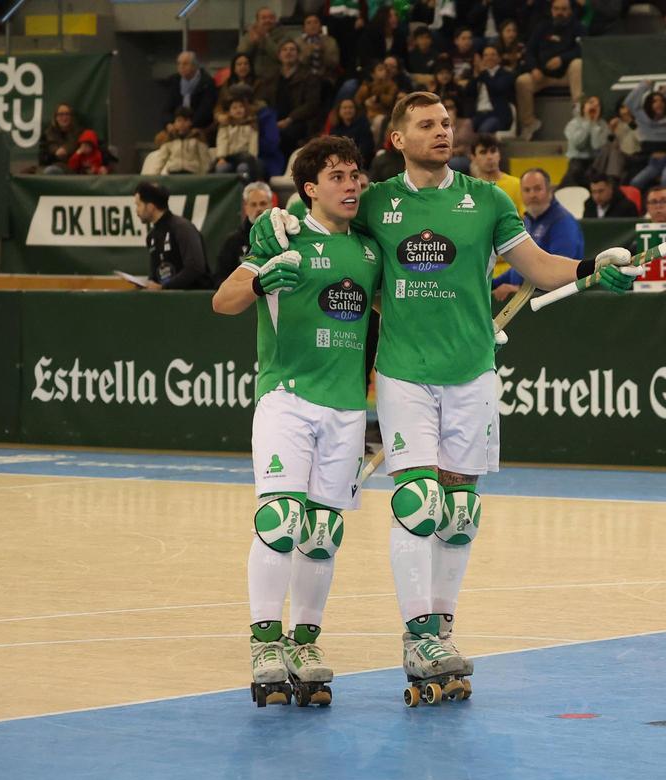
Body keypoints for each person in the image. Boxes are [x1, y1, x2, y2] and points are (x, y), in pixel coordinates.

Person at [244, 92, 640, 703]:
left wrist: (591, 267)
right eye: (427, 125)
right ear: (398, 139)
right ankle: (415, 636)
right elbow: (320, 224)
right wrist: (274, 221)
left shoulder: (487, 201)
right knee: (419, 503)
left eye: (447, 124)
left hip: (473, 373)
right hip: (404, 374)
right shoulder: (374, 202)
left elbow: (536, 265)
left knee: (460, 514)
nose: (442, 132)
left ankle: (442, 632)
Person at [212, 136, 381, 707]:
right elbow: (224, 302)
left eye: (356, 174)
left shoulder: (369, 251)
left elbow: (408, 306)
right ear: (310, 189)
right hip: (286, 398)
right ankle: (264, 642)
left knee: (322, 531)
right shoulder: (281, 236)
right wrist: (260, 279)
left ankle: (304, 642)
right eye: (338, 176)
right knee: (281, 518)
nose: (352, 184)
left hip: (345, 408)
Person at [503, 166, 585, 292]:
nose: (532, 195)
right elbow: (519, 267)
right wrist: (491, 284)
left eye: (537, 189)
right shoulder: (528, 220)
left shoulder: (563, 222)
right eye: (527, 190)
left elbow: (559, 274)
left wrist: (519, 290)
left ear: (549, 190)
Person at [516, 0, 585, 141]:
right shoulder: (542, 27)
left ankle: (578, 109)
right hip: (544, 75)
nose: (560, 12)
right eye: (556, 9)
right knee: (522, 81)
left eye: (564, 9)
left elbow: (583, 49)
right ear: (552, 10)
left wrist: (562, 58)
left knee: (578, 63)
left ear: (570, 11)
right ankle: (529, 123)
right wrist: (534, 68)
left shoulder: (578, 27)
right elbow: (529, 51)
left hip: (567, 76)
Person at [469, 133, 523, 298]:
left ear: (499, 154)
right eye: (483, 152)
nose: (490, 157)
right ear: (473, 157)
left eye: (493, 151)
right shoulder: (469, 190)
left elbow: (524, 225)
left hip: (512, 267)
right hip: (478, 271)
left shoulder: (517, 184)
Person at [135, 182, 212, 291]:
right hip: (168, 300)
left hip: (194, 298)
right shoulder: (151, 237)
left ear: (151, 207)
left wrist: (164, 287)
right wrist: (148, 285)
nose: (136, 210)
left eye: (138, 205)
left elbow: (195, 267)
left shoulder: (182, 228)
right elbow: (156, 275)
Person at [256, 39, 324, 159]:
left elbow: (311, 104)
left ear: (298, 54)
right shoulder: (271, 77)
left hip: (299, 122)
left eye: (292, 49)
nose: (288, 52)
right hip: (273, 121)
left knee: (284, 136)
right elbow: (262, 100)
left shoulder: (309, 77)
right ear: (279, 55)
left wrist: (289, 119)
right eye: (285, 50)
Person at [625, 80, 666, 190]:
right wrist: (644, 86)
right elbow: (629, 103)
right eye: (654, 101)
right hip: (652, 162)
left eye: (662, 100)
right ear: (649, 105)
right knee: (635, 183)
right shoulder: (643, 119)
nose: (659, 103)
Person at [215, 181, 275, 288]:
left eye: (263, 203)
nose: (258, 209)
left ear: (271, 204)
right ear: (246, 208)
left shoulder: (285, 236)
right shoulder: (233, 242)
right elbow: (221, 279)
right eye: (253, 204)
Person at [559, 95, 609, 188]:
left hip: (595, 161)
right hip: (577, 159)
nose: (594, 106)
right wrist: (587, 122)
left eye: (597, 105)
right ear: (583, 106)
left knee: (594, 174)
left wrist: (594, 124)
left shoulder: (603, 125)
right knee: (575, 172)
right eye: (591, 103)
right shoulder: (573, 124)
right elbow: (578, 145)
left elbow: (596, 146)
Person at [161, 51, 218, 132]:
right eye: (179, 64)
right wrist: (169, 123)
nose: (181, 67)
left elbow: (205, 110)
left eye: (185, 64)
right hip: (176, 126)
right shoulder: (174, 81)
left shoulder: (207, 82)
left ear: (195, 66)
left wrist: (189, 124)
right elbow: (167, 108)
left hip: (200, 126)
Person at [467, 45, 515, 134]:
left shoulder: (506, 74)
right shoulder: (480, 74)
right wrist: (475, 76)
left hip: (497, 115)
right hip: (478, 114)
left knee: (484, 129)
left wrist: (484, 73)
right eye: (486, 55)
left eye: (493, 55)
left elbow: (497, 88)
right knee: (464, 130)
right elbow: (468, 92)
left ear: (499, 58)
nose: (489, 58)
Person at [154, 107, 212, 175]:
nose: (182, 123)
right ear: (174, 123)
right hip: (173, 173)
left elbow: (205, 161)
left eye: (185, 120)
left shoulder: (197, 138)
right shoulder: (170, 139)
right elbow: (161, 160)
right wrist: (154, 177)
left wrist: (204, 177)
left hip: (192, 175)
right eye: (179, 120)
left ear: (190, 122)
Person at [215, 96, 262, 180]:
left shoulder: (251, 125)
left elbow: (253, 144)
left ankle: (243, 190)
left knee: (243, 169)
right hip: (229, 158)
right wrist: (221, 158)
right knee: (221, 168)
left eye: (241, 107)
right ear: (229, 111)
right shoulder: (225, 125)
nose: (238, 110)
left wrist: (252, 158)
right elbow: (222, 142)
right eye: (234, 108)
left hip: (245, 158)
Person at [238, 7, 283, 80]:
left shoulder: (283, 35)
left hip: (275, 78)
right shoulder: (249, 35)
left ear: (275, 20)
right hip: (252, 78)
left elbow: (279, 56)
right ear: (257, 21)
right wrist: (251, 41)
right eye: (264, 18)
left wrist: (265, 37)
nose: (268, 20)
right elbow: (240, 55)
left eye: (271, 18)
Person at [328, 98, 375, 168]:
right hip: (340, 162)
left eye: (350, 107)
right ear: (339, 111)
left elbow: (366, 148)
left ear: (355, 110)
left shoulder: (363, 124)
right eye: (344, 108)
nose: (347, 110)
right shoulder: (335, 128)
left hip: (361, 162)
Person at [38, 103, 80, 175]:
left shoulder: (79, 133)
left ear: (71, 117)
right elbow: (42, 158)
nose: (64, 117)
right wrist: (55, 153)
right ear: (56, 117)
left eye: (67, 114)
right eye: (61, 114)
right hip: (52, 166)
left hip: (73, 169)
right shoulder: (47, 134)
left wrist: (66, 150)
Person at [217, 54, 259, 125]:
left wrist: (242, 110)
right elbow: (219, 105)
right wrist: (219, 115)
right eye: (239, 64)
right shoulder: (227, 83)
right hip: (229, 119)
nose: (243, 66)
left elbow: (261, 105)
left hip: (252, 120)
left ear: (250, 67)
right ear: (234, 68)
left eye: (246, 64)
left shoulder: (258, 83)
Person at [298, 14, 341, 79]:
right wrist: (308, 52)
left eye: (316, 22)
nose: (313, 25)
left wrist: (323, 51)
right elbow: (296, 64)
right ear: (304, 28)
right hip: (303, 79)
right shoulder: (297, 42)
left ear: (320, 26)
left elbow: (334, 64)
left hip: (325, 78)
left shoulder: (330, 41)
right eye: (309, 23)